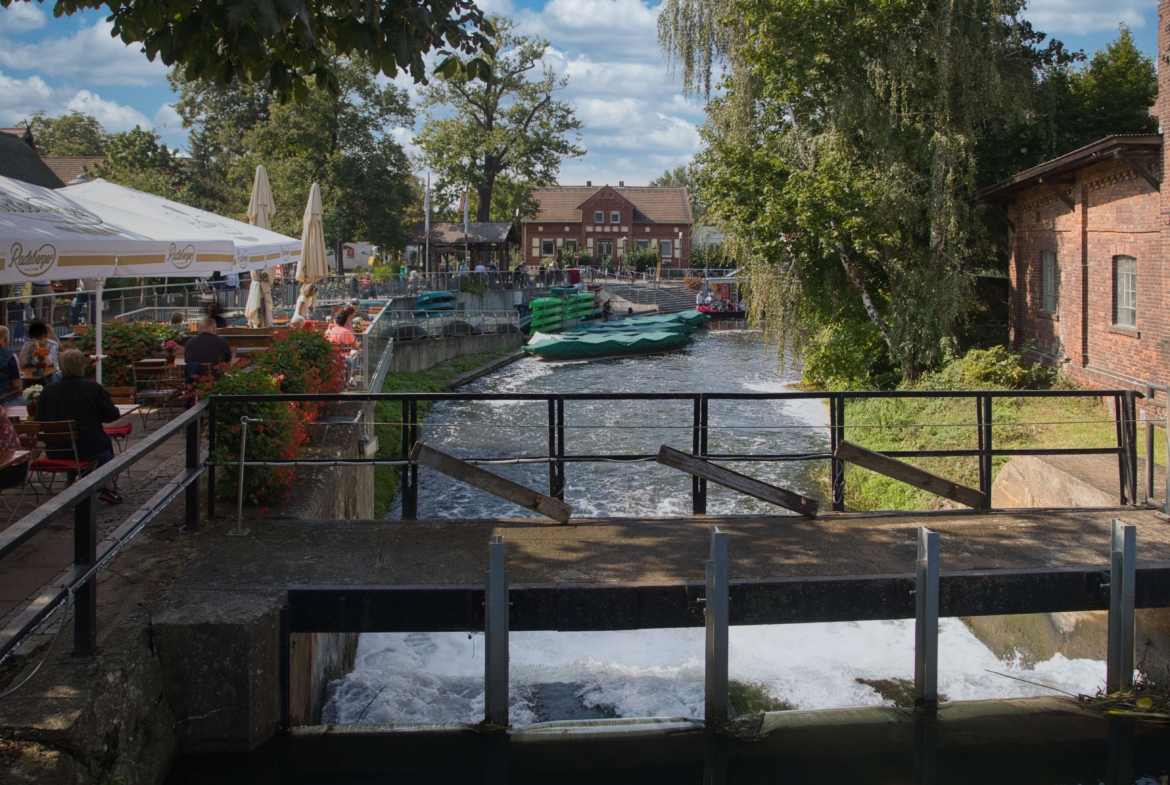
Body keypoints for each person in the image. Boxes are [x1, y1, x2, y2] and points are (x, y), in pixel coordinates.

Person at [35, 349, 123, 503]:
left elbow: (39, 421)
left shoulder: (48, 391)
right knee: (103, 441)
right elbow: (112, 415)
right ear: (82, 365)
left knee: (78, 442)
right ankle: (108, 487)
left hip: (57, 449)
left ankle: (68, 484)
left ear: (61, 366)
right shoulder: (93, 388)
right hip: (88, 447)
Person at [17, 321, 60, 385]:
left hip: (50, 374)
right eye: (35, 333)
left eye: (40, 333)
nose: (38, 335)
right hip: (31, 374)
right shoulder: (27, 344)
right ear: (31, 335)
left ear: (45, 334)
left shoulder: (53, 345)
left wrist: (37, 347)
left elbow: (46, 363)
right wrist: (27, 349)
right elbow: (20, 365)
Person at [0, 327, 23, 405]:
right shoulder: (10, 356)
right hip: (4, 400)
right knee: (35, 398)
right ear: (6, 339)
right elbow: (16, 386)